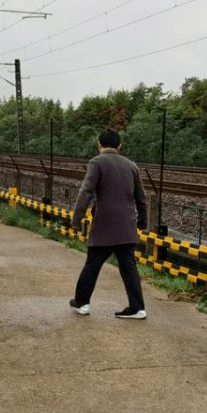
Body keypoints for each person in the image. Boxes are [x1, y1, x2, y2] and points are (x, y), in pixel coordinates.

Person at [69, 129, 149, 320]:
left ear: (99, 145)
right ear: (119, 146)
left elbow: (85, 192)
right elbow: (142, 198)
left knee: (92, 265)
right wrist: (142, 222)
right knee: (129, 268)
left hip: (104, 226)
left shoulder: (96, 162)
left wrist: (75, 220)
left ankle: (82, 303)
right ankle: (137, 308)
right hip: (126, 228)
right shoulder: (131, 166)